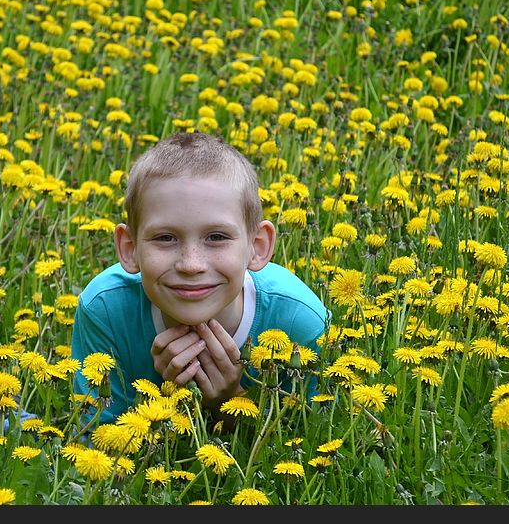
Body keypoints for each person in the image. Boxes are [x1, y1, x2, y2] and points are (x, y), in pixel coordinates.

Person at [71, 131, 330, 425]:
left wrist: (230, 401)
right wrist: (161, 402)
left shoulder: (300, 320)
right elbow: (96, 441)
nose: (191, 264)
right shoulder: (105, 309)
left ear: (257, 246)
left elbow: (316, 435)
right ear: (129, 249)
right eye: (165, 238)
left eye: (217, 237)